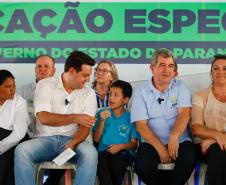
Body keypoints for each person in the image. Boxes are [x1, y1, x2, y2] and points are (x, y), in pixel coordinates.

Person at [14, 51, 98, 185]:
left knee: (90, 153)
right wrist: (76, 117)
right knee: (22, 150)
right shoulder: (45, 85)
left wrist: (74, 142)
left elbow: (85, 125)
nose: (88, 80)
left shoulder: (89, 93)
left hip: (73, 140)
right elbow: (44, 118)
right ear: (71, 71)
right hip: (45, 140)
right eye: (85, 75)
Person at [131, 48, 197, 185]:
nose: (166, 70)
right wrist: (160, 148)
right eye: (162, 65)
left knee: (189, 159)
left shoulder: (181, 86)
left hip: (180, 139)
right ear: (152, 68)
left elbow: (184, 114)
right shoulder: (141, 91)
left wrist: (174, 136)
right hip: (151, 142)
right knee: (141, 166)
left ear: (174, 70)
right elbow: (141, 126)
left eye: (170, 66)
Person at [93, 80, 140, 185]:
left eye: (115, 95)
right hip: (103, 152)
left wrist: (120, 147)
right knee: (100, 161)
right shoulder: (102, 114)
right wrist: (102, 121)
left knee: (117, 162)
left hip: (124, 153)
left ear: (125, 100)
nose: (111, 98)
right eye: (110, 94)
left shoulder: (131, 117)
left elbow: (134, 144)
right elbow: (96, 139)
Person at [191, 54, 226, 185]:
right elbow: (196, 128)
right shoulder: (200, 96)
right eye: (216, 68)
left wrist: (216, 138)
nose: (220, 72)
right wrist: (217, 136)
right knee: (219, 155)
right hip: (206, 147)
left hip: (212, 141)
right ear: (211, 73)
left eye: (225, 68)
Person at [0, 70, 30, 185]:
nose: (12, 90)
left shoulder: (19, 101)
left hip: (16, 141)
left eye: (14, 85)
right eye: (7, 86)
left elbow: (19, 133)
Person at [18, 55, 55, 138]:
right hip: (26, 135)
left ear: (53, 71)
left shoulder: (62, 90)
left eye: (46, 66)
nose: (42, 69)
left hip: (53, 137)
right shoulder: (23, 90)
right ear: (35, 70)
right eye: (39, 66)